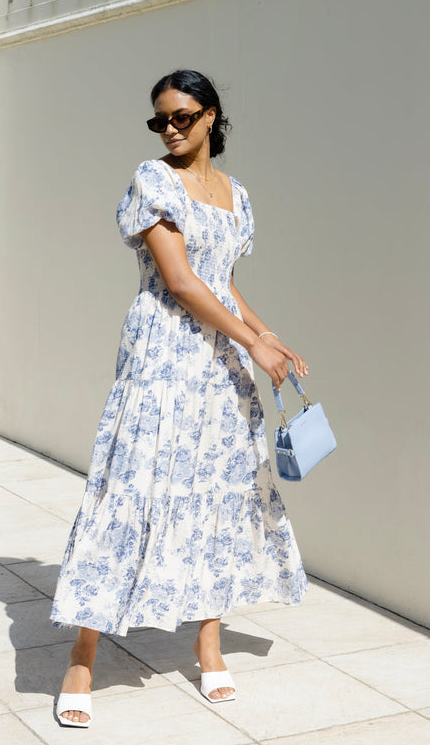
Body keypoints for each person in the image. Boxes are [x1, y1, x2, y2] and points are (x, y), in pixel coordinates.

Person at [50, 69, 308, 728]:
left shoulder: (235, 192)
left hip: (219, 364)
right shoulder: (152, 181)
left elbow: (223, 282)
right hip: (164, 355)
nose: (170, 127)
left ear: (213, 116)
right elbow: (182, 282)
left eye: (183, 116)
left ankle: (209, 647)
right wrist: (254, 344)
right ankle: (82, 656)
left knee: (215, 497)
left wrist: (266, 334)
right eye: (160, 118)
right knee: (127, 490)